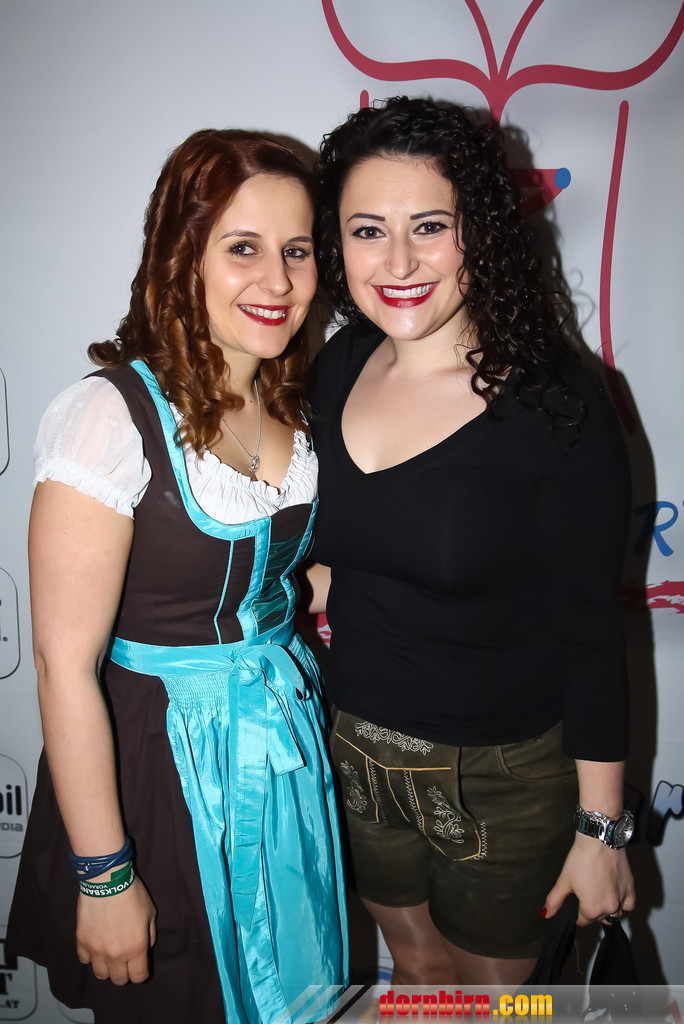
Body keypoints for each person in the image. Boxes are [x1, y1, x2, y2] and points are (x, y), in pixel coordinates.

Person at [7, 128, 347, 1024]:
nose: (278, 281)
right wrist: (105, 874)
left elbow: (271, 585)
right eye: (243, 248)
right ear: (182, 256)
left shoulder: (294, 405)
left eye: (297, 250)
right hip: (162, 762)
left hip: (282, 750)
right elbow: (63, 666)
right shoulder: (107, 416)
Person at [310, 96, 635, 985]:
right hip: (355, 749)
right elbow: (343, 565)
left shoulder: (557, 402)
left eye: (430, 227)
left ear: (480, 234)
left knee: (503, 1006)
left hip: (503, 774)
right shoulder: (337, 367)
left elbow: (591, 627)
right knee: (417, 976)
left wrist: (601, 830)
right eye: (368, 231)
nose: (398, 262)